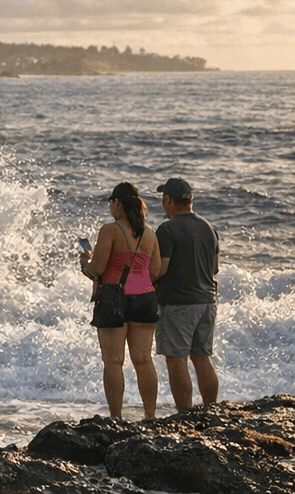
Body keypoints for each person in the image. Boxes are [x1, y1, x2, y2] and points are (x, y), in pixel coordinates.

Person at [79, 182, 163, 420]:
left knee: (113, 362)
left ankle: (116, 418)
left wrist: (85, 263)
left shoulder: (111, 230)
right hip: (144, 298)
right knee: (144, 361)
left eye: (111, 202)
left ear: (117, 203)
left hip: (114, 299)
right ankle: (150, 416)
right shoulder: (150, 234)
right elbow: (155, 271)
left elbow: (97, 269)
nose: (110, 207)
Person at [153, 177, 220, 412]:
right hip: (207, 301)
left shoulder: (167, 229)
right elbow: (215, 268)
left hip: (178, 303)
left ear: (168, 200)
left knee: (176, 360)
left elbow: (159, 270)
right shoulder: (209, 228)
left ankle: (185, 414)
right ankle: (211, 410)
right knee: (202, 357)